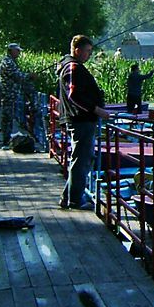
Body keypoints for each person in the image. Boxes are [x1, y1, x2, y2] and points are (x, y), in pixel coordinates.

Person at [57, 35, 110, 209]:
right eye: (87, 51)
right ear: (77, 50)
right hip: (81, 120)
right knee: (81, 160)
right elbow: (74, 96)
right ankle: (74, 200)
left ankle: (68, 197)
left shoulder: (71, 66)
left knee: (81, 159)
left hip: (81, 120)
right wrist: (96, 109)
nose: (89, 55)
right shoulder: (73, 67)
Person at [0, 42, 28, 149]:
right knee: (7, 117)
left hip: (10, 94)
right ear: (11, 51)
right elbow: (16, 75)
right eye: (17, 50)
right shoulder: (8, 62)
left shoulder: (11, 61)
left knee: (9, 117)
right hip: (7, 94)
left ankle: (7, 140)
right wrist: (29, 76)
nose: (19, 53)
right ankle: (5, 142)